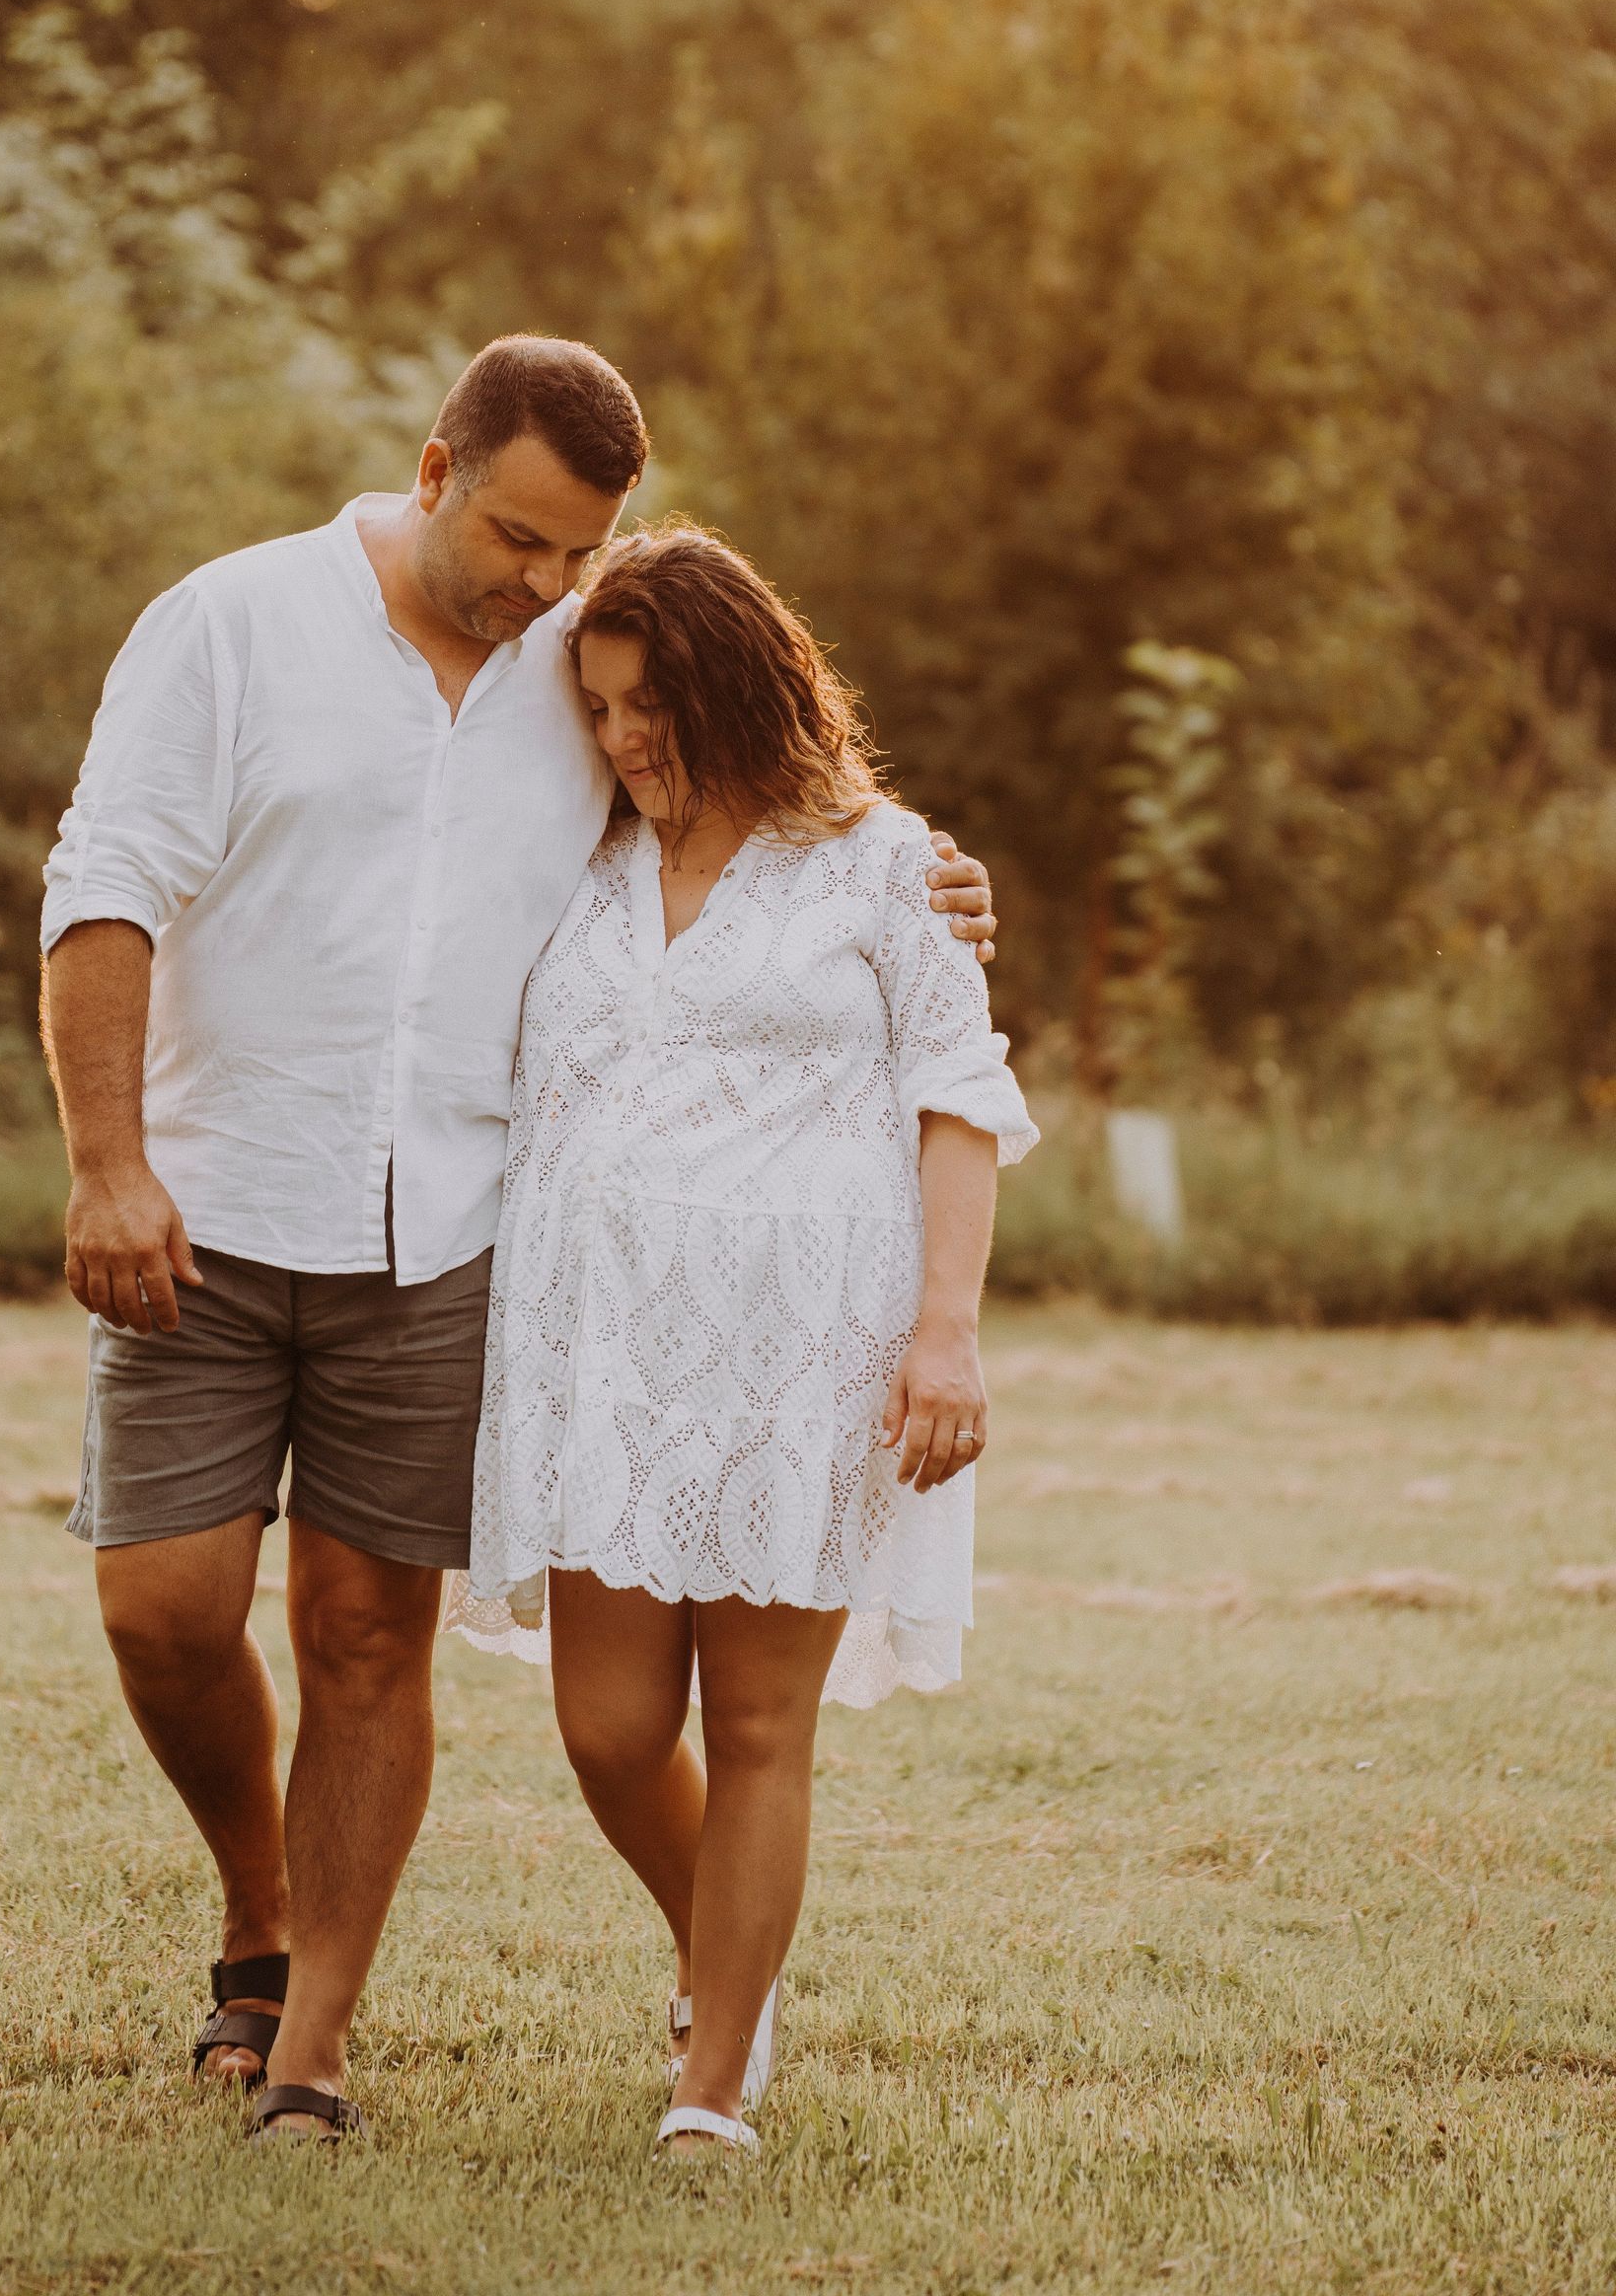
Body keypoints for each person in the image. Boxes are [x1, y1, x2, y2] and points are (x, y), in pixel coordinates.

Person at [37, 336, 999, 2143]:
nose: (544, 589)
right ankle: (258, 1910)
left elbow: (764, 781)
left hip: (446, 1236)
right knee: (165, 1616)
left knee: (367, 1632)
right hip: (216, 1201)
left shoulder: (582, 657)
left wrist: (936, 882)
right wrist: (106, 1161)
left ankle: (315, 2046)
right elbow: (105, 881)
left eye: (576, 555)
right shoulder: (232, 625)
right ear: (433, 468)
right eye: (519, 541)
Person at [450, 524, 1036, 2155]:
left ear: (733, 685)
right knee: (610, 1729)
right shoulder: (577, 863)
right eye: (601, 708)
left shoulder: (884, 865)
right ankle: (735, 1964)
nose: (625, 738)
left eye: (651, 703)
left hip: (806, 1358)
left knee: (760, 1725)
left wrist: (948, 1333)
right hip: (606, 1359)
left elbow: (957, 1094)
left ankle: (712, 2086)